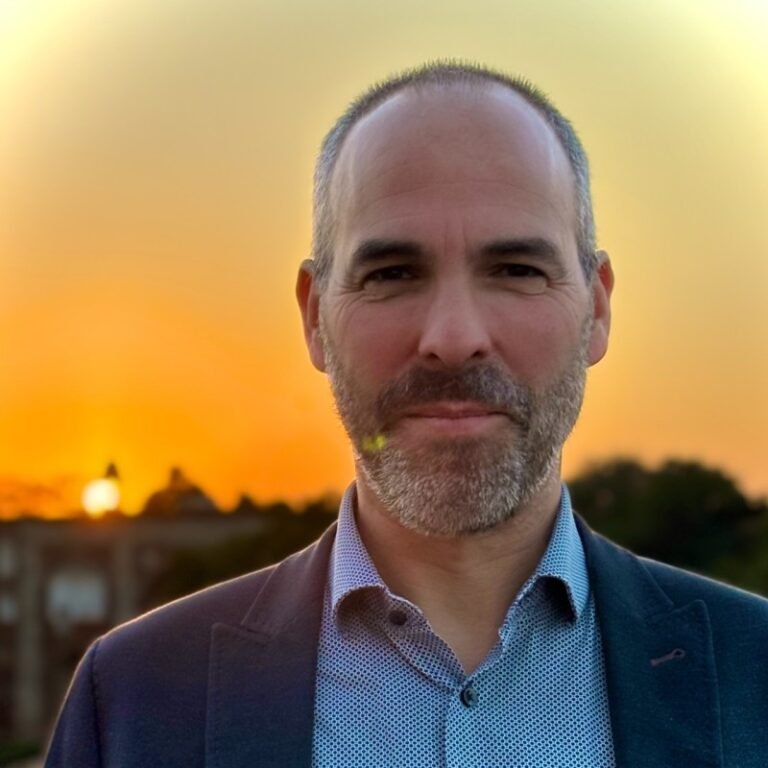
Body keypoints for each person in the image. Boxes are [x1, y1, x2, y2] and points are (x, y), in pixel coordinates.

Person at [45, 62, 768, 768]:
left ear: (598, 308)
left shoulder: (755, 675)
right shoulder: (134, 700)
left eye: (517, 270)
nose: (453, 338)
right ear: (315, 317)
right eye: (391, 274)